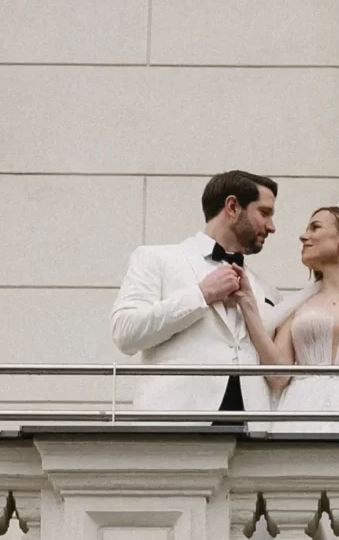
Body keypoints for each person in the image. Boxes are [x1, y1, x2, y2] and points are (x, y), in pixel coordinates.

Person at [108, 171, 281, 420]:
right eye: (264, 213)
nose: (272, 227)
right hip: (177, 429)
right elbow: (125, 333)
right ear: (232, 206)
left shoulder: (265, 289)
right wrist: (201, 294)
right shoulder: (156, 259)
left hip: (252, 434)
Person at [236, 200, 339, 432]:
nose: (303, 236)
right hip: (300, 414)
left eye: (315, 228)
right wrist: (246, 304)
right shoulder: (297, 305)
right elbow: (277, 378)